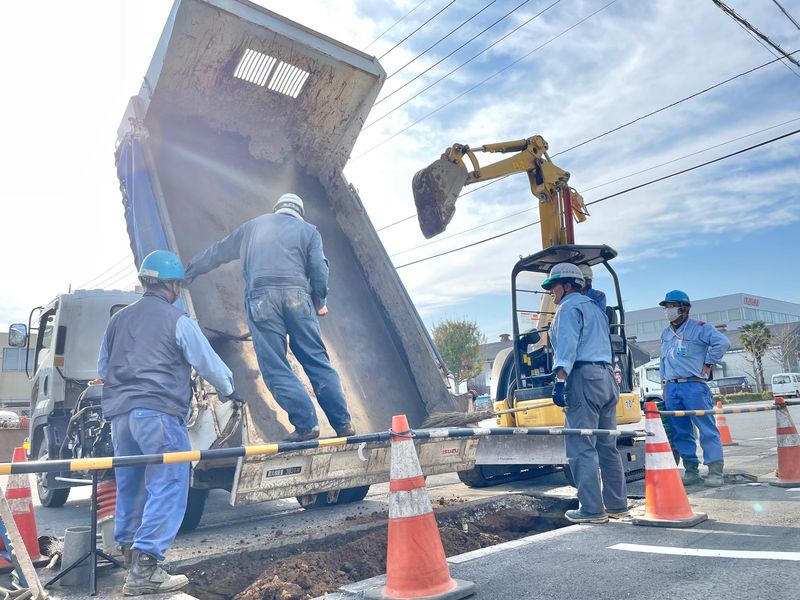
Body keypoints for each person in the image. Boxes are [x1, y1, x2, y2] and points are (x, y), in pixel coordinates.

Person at [98, 250, 241, 596]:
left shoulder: (118, 320)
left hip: (120, 416)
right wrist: (230, 389)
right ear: (173, 285)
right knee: (171, 480)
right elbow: (207, 363)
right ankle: (146, 569)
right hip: (159, 413)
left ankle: (131, 554)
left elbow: (104, 368)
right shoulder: (177, 320)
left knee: (131, 482)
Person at [184, 193, 354, 442]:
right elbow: (319, 268)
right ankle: (343, 424)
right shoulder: (309, 231)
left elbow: (219, 251)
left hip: (262, 300)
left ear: (277, 209)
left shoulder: (253, 227)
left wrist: (191, 270)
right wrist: (321, 300)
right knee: (317, 361)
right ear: (299, 213)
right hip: (299, 298)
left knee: (275, 365)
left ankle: (307, 425)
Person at [543, 263, 628, 524]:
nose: (551, 294)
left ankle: (592, 509)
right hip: (605, 378)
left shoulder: (568, 308)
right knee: (607, 446)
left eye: (553, 287)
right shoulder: (596, 308)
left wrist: (560, 380)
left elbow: (567, 345)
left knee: (581, 447)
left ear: (567, 285)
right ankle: (617, 505)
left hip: (582, 378)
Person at [659, 290, 730, 487]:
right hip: (673, 387)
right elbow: (663, 360)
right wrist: (664, 383)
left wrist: (708, 363)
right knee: (680, 430)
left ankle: (715, 470)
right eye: (666, 307)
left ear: (685, 308)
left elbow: (723, 343)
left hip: (694, 385)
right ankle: (691, 470)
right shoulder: (666, 333)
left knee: (706, 428)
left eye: (672, 306)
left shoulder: (700, 328)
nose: (668, 311)